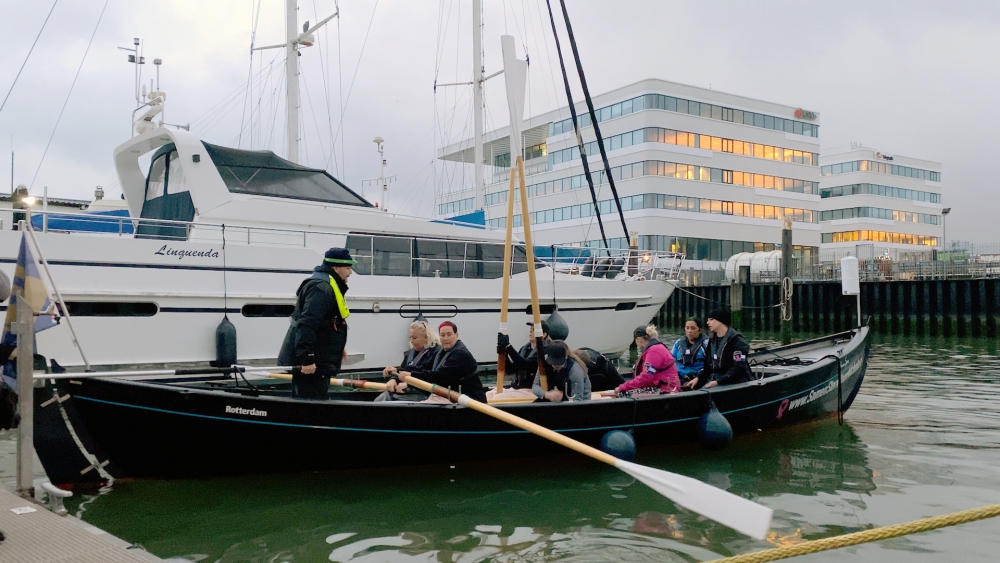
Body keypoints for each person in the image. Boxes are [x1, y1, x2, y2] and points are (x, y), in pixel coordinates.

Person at [278, 248, 355, 400]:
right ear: (336, 268)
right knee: (311, 402)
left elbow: (325, 322)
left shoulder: (324, 283)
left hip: (321, 355)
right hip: (313, 363)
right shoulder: (322, 288)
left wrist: (338, 347)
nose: (350, 273)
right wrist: (306, 358)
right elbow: (307, 324)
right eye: (348, 268)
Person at [388, 321, 486, 403]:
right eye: (442, 335)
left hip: (471, 400)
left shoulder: (461, 354)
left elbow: (440, 377)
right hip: (449, 397)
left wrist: (410, 376)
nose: (446, 338)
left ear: (456, 335)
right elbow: (423, 368)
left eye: (449, 334)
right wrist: (397, 371)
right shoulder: (441, 353)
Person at [684, 308, 752, 390]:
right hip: (714, 380)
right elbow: (708, 367)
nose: (707, 322)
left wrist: (718, 382)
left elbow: (739, 367)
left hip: (733, 383)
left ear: (721, 321)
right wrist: (698, 378)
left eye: (711, 320)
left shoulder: (738, 342)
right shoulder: (712, 340)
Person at [376, 321, 441, 402]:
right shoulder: (411, 353)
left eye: (414, 338)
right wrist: (393, 379)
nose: (411, 341)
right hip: (406, 390)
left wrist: (409, 384)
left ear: (426, 338)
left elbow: (427, 375)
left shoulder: (435, 354)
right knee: (380, 399)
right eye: (410, 338)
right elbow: (404, 368)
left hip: (422, 393)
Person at [613, 325, 680, 396]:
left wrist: (622, 387)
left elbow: (646, 377)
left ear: (638, 339)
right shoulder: (654, 349)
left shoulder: (654, 351)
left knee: (624, 394)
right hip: (661, 386)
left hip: (666, 389)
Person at [672, 317, 708, 386]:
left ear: (699, 330)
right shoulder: (678, 343)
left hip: (697, 376)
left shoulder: (706, 344)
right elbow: (670, 360)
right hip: (679, 375)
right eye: (687, 328)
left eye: (693, 328)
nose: (689, 331)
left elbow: (711, 364)